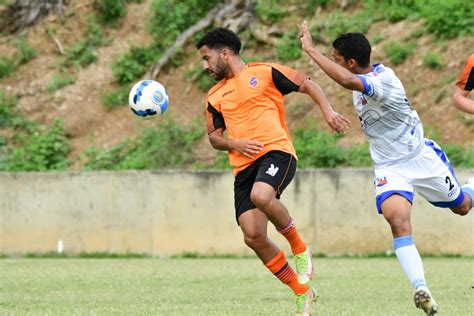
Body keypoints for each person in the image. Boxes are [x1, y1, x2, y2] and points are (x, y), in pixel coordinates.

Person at [299, 21, 474, 315]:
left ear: (351, 63)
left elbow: (346, 81)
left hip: (421, 158)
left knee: (462, 206)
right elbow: (345, 81)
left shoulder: (384, 80)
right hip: (389, 168)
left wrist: (311, 50)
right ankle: (421, 288)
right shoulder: (359, 77)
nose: (334, 62)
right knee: (397, 221)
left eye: (337, 59)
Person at [195, 27, 350, 315]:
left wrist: (328, 112)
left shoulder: (265, 72)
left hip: (276, 152)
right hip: (243, 168)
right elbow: (214, 137)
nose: (205, 66)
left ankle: (300, 249)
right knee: (252, 236)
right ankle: (301, 290)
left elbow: (308, 84)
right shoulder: (214, 95)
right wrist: (234, 142)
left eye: (207, 58)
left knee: (262, 196)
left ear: (224, 53)